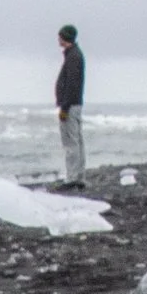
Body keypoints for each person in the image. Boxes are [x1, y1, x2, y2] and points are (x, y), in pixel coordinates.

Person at [55, 25, 88, 185]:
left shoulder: (73, 56)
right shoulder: (74, 55)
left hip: (71, 105)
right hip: (75, 104)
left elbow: (72, 84)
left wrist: (64, 107)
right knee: (77, 141)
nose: (58, 39)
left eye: (60, 37)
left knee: (70, 142)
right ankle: (78, 176)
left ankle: (72, 177)